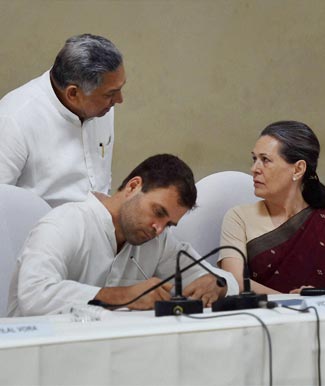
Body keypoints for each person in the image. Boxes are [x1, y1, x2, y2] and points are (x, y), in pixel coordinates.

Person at [8, 154, 238, 317]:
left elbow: (215, 278)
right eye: (158, 213)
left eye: (169, 224)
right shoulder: (65, 223)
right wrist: (124, 296)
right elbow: (34, 294)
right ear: (133, 186)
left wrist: (218, 285)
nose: (158, 228)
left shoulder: (159, 240)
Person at [218, 121, 325, 294]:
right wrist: (291, 300)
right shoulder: (239, 217)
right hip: (262, 315)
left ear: (298, 169)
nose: (254, 169)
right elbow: (234, 281)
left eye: (265, 160)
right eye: (254, 159)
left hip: (320, 317)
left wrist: (316, 297)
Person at [0, 33, 126, 208]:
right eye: (110, 94)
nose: (119, 100)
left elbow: (102, 181)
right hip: (41, 231)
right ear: (73, 94)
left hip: (99, 228)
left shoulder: (102, 107)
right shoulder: (13, 119)